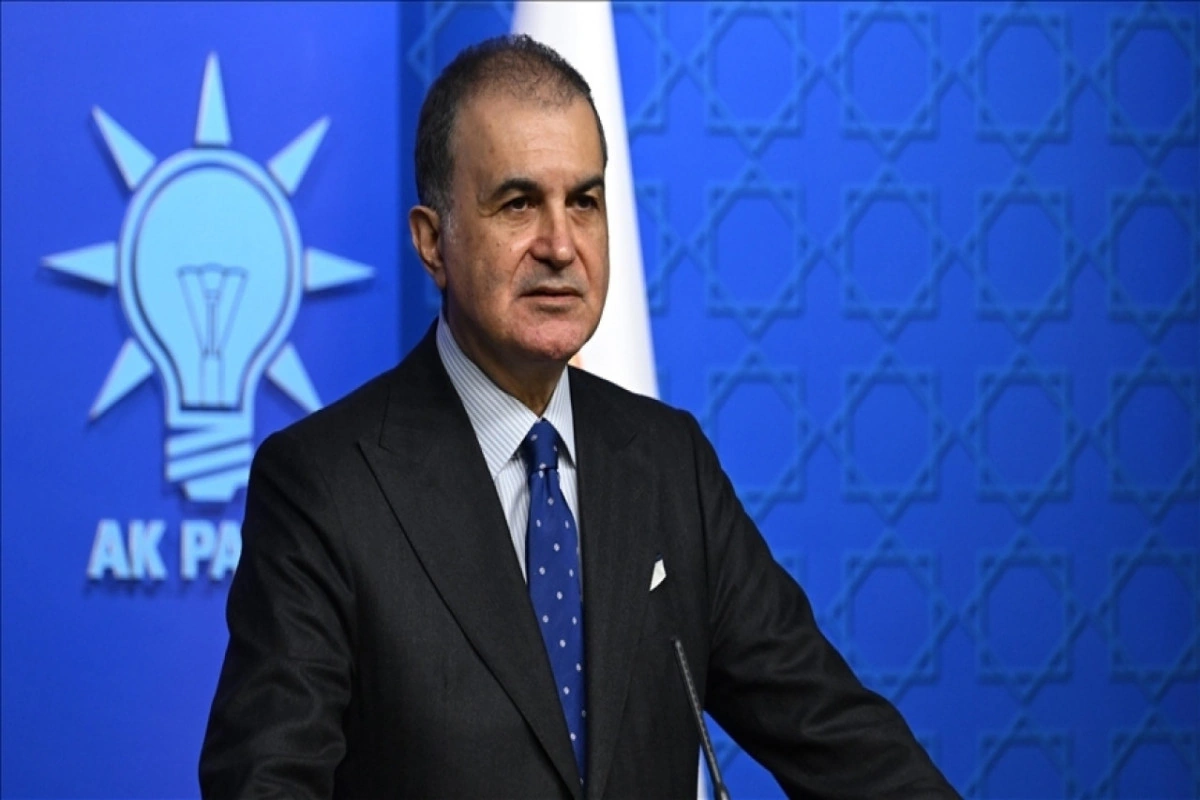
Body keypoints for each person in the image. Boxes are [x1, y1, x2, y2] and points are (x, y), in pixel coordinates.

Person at [200, 35, 959, 799]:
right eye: (518, 203)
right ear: (433, 242)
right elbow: (266, 782)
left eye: (584, 203)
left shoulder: (669, 463)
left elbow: (835, 735)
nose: (561, 246)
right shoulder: (325, 486)